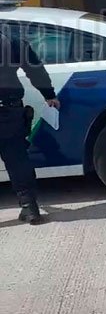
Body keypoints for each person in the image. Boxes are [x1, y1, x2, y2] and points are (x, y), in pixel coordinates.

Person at [0, 24, 60, 225]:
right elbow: (35, 70)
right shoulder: (12, 40)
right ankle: (29, 207)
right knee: (17, 159)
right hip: (8, 110)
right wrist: (49, 95)